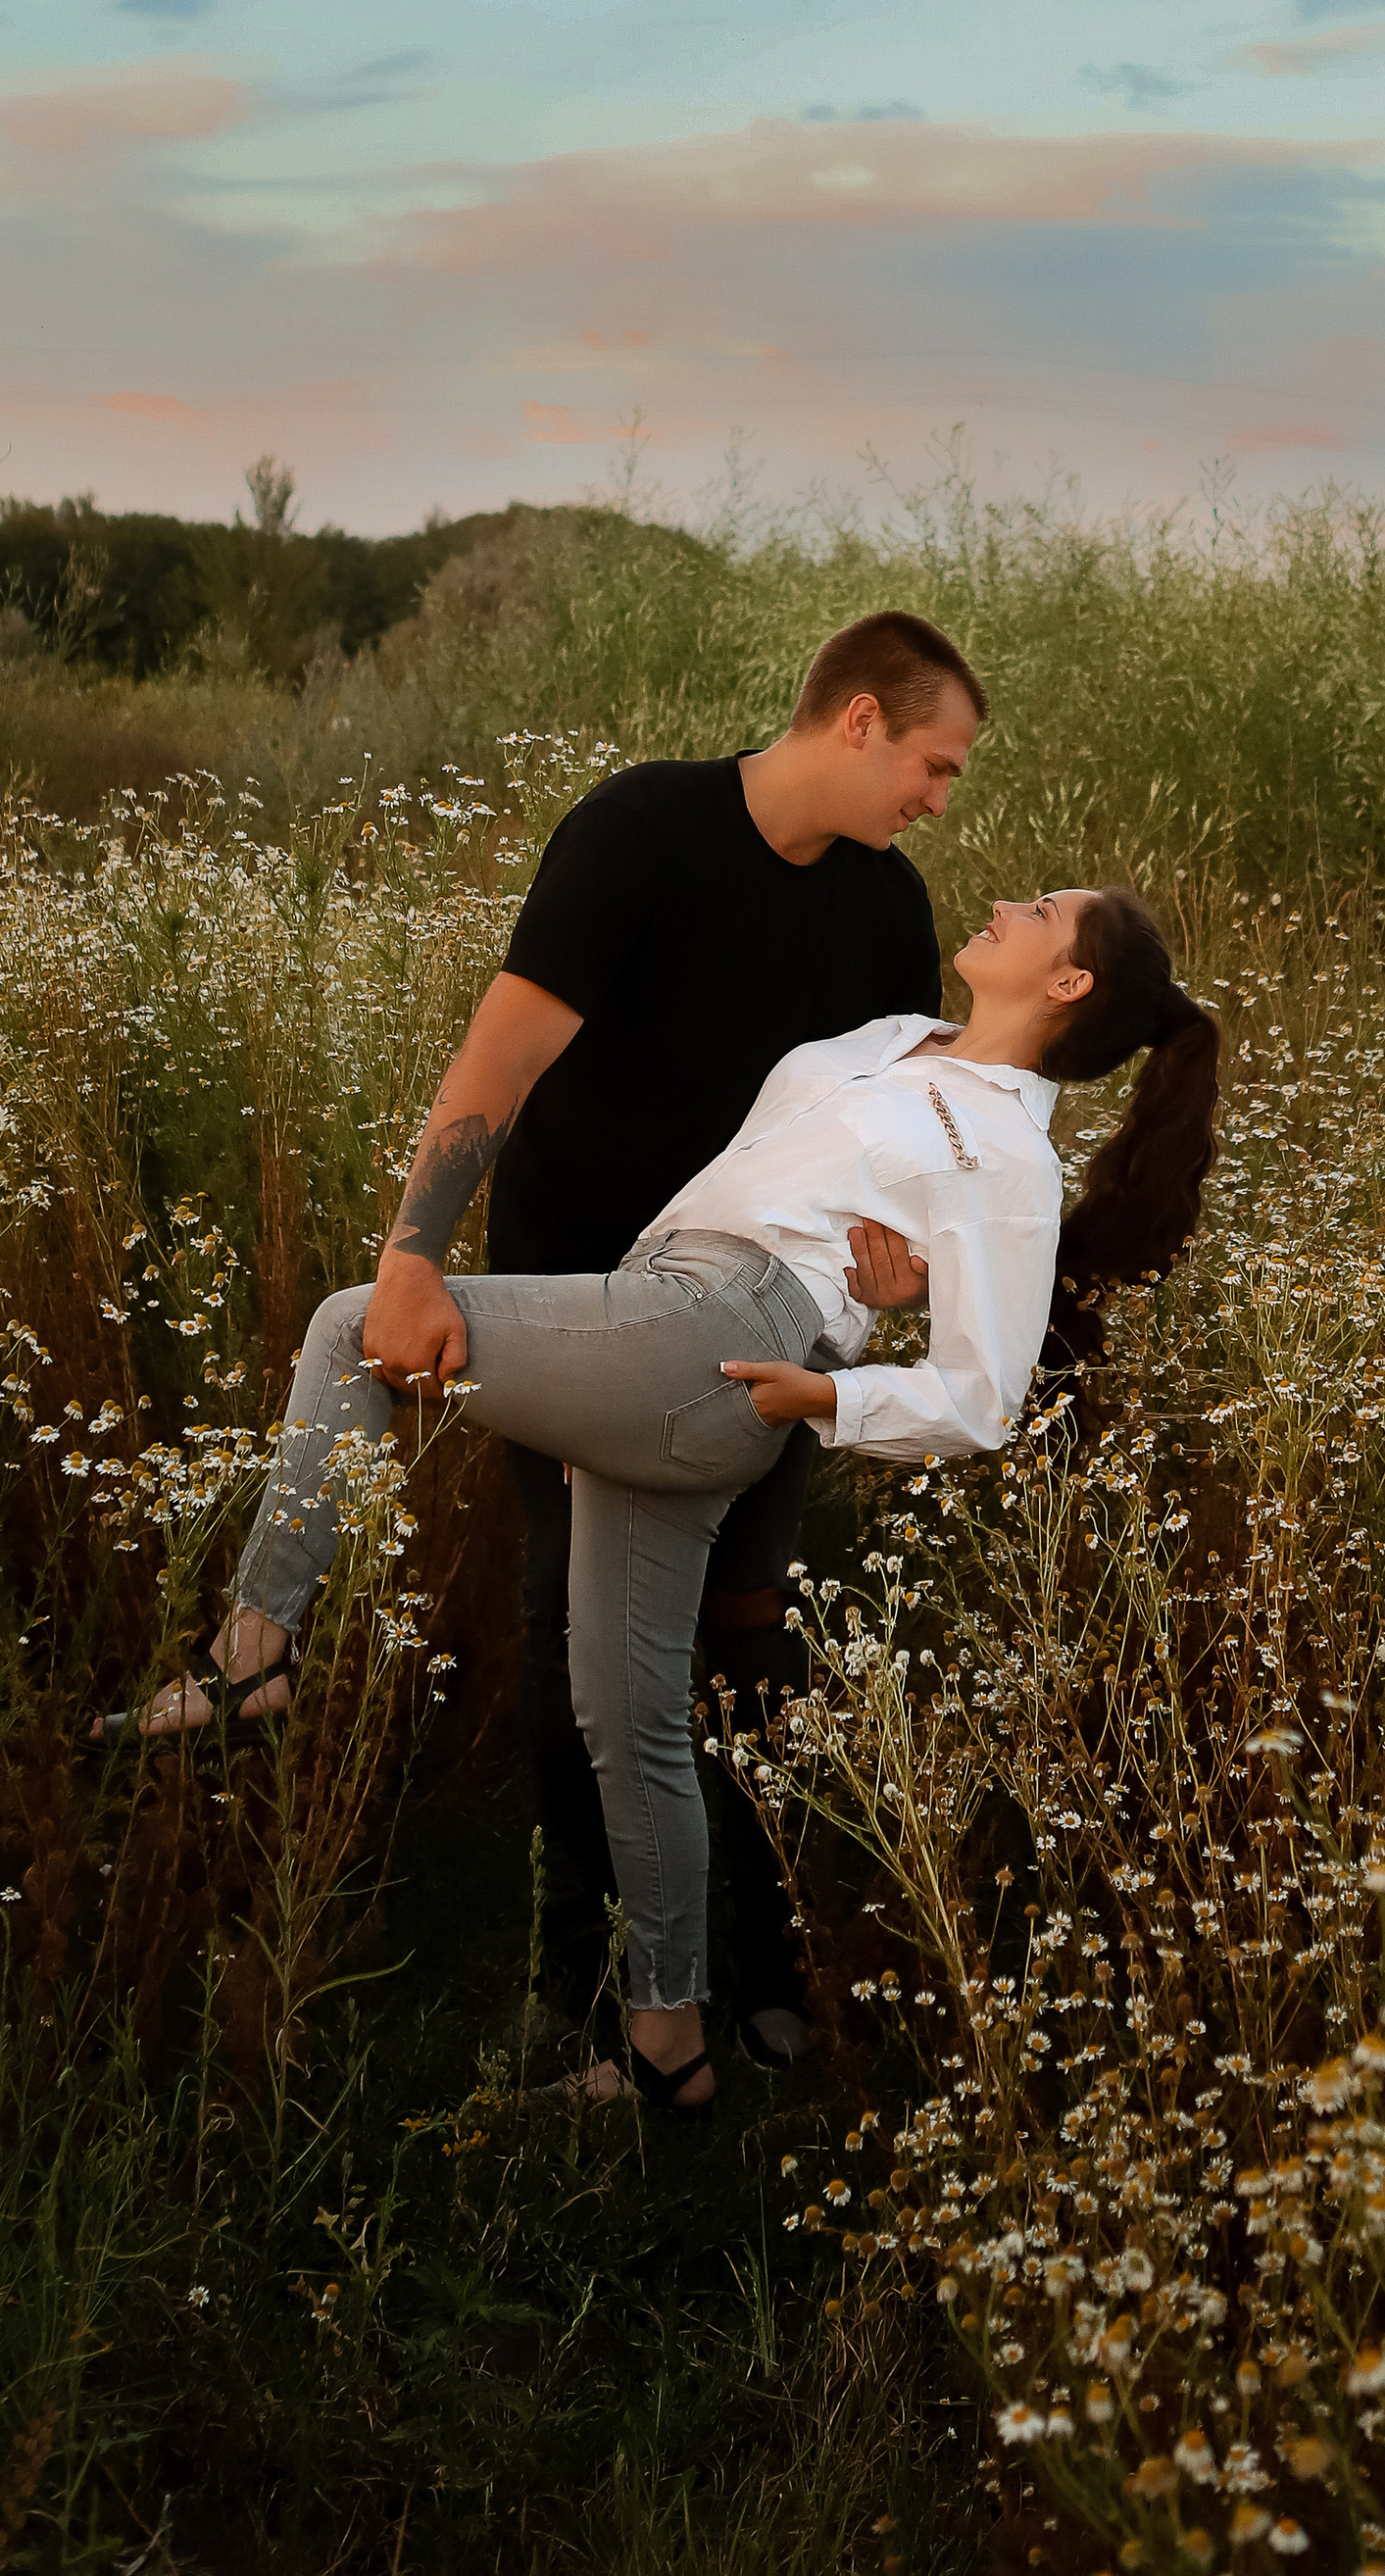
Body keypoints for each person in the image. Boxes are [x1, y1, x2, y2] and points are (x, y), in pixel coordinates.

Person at [118, 885, 1221, 2119]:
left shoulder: (1007, 1156)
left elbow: (983, 1397)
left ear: (1068, 983)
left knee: (359, 1325)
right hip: (665, 1313)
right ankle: (667, 2048)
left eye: (1045, 910)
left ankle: (253, 1648)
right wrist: (877, 1280)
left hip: (724, 1343)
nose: (1012, 903)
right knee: (627, 1718)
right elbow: (791, 1174)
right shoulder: (889, 1041)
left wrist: (826, 1394)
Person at [184, 611, 984, 2058]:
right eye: (934, 763)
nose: (939, 799)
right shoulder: (640, 829)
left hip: (761, 1323)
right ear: (859, 719)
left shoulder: (888, 912)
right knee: (580, 1658)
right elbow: (505, 1049)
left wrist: (903, 1273)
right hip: (577, 1293)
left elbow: (898, 1144)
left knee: (749, 1643)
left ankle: (756, 1969)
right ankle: (579, 1988)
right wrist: (414, 1257)